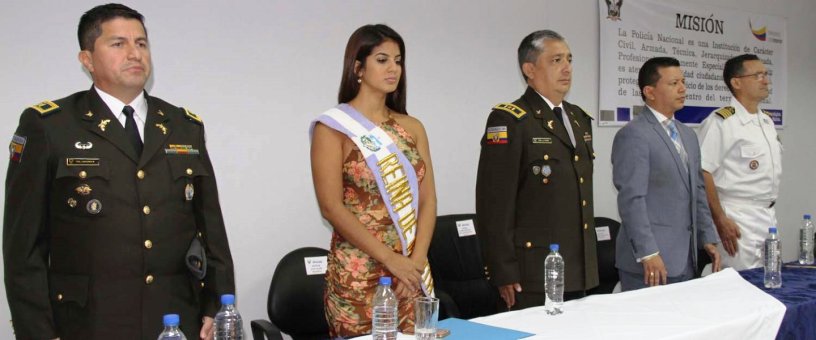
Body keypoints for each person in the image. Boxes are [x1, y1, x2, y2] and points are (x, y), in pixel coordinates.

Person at [3, 4, 235, 339]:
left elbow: (211, 227)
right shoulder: (50, 127)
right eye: (118, 44)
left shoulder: (184, 127)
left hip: (173, 319)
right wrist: (38, 332)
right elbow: (22, 249)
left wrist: (216, 305)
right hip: (87, 323)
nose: (134, 53)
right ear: (87, 59)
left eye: (141, 43)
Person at [309, 24, 437, 338]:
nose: (394, 68)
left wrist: (416, 259)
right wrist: (390, 259)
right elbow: (331, 207)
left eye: (398, 60)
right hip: (359, 272)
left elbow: (427, 200)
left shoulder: (412, 127)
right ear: (358, 68)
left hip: (410, 271)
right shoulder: (334, 129)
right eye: (382, 60)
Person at [475, 30, 597, 311]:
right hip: (532, 274)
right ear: (529, 69)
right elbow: (494, 204)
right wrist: (503, 271)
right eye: (556, 60)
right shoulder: (510, 120)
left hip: (578, 268)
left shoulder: (579, 119)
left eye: (569, 59)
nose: (567, 68)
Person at [611, 57, 720, 291]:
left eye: (683, 81)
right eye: (673, 83)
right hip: (650, 263)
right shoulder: (634, 134)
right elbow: (632, 199)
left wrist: (707, 238)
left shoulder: (688, 135)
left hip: (685, 259)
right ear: (649, 91)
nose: (683, 89)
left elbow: (698, 190)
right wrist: (648, 252)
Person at [697, 54, 782, 270]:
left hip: (767, 216)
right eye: (758, 75)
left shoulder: (766, 121)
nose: (766, 80)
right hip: (737, 219)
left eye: (766, 74)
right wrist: (720, 219)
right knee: (740, 287)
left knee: (770, 283)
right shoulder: (721, 122)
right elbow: (703, 172)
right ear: (736, 82)